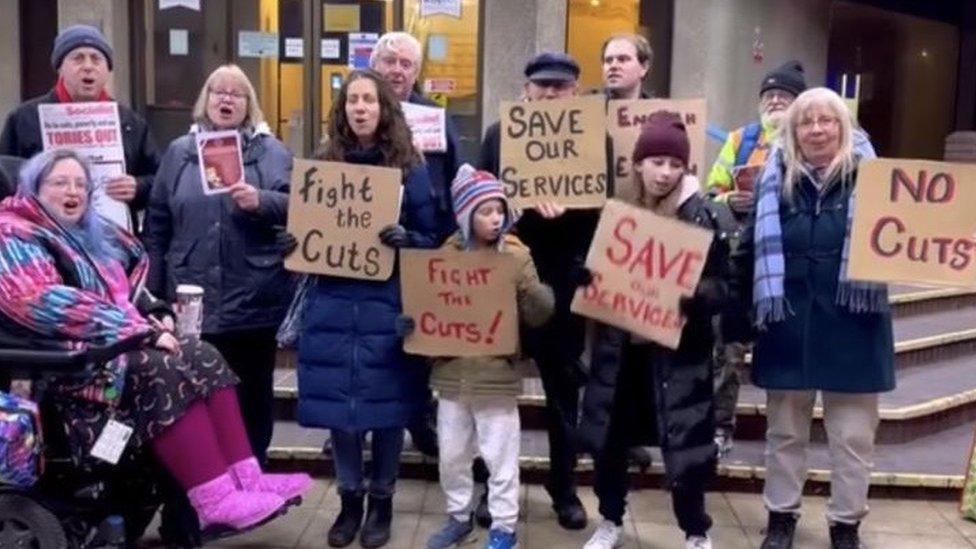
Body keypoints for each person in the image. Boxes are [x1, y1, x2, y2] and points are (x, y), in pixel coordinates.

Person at [0, 148, 311, 539]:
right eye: (59, 182)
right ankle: (215, 500)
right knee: (161, 368)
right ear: (34, 190)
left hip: (114, 355)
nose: (72, 190)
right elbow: (44, 302)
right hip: (69, 372)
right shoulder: (15, 233)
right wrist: (143, 332)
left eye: (80, 183)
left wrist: (156, 311)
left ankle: (245, 478)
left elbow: (127, 292)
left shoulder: (89, 235)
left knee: (201, 354)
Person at [725, 87, 892, 549]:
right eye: (806, 122)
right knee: (783, 433)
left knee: (853, 439)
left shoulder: (879, 180)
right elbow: (749, 252)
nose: (817, 129)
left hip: (856, 324)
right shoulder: (773, 180)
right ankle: (781, 518)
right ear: (793, 131)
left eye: (827, 120)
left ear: (844, 127)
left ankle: (846, 524)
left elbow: (911, 240)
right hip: (788, 323)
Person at [295, 69, 440, 549]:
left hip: (388, 307)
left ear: (384, 109)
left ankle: (382, 501)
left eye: (369, 100)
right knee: (341, 414)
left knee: (388, 413)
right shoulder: (322, 163)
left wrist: (409, 241)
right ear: (342, 110)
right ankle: (349, 500)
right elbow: (304, 233)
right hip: (333, 306)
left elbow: (434, 238)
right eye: (352, 100)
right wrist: (293, 241)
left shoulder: (411, 168)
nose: (360, 108)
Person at [576, 112, 727, 549]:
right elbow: (595, 271)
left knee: (686, 449)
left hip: (679, 357)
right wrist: (586, 280)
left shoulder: (704, 217)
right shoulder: (619, 216)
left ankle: (695, 531)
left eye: (674, 164)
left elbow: (724, 285)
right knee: (611, 442)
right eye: (656, 161)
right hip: (622, 353)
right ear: (638, 164)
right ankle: (609, 519)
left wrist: (698, 299)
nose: (664, 173)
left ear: (686, 169)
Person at [395, 165, 554, 549]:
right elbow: (430, 309)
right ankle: (458, 517)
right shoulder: (445, 256)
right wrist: (411, 323)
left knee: (501, 459)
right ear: (466, 215)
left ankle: (504, 528)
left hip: (496, 376)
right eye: (486, 210)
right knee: (452, 457)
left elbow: (538, 314)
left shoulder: (516, 256)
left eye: (500, 209)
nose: (496, 217)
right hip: (451, 377)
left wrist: (539, 297)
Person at [145, 64, 294, 464]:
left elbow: (299, 208)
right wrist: (154, 296)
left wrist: (262, 201)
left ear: (250, 105)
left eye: (237, 93)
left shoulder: (273, 152)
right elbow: (157, 225)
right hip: (191, 302)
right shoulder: (178, 153)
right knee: (195, 397)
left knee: (252, 398)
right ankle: (207, 482)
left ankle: (252, 477)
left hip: (254, 300)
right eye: (218, 92)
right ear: (205, 100)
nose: (227, 99)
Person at [478, 51, 591, 531]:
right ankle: (491, 485)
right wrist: (518, 208)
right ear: (525, 90)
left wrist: (573, 212)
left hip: (564, 286)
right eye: (541, 86)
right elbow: (480, 202)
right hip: (506, 281)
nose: (548, 94)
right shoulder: (498, 135)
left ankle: (563, 486)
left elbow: (606, 211)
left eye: (559, 87)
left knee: (564, 392)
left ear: (574, 93)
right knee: (492, 390)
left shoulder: (593, 137)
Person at [705, 59, 807, 457]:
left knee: (781, 352)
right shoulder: (739, 139)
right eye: (770, 95)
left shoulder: (811, 141)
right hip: (738, 261)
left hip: (787, 265)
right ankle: (720, 426)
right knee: (726, 351)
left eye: (784, 95)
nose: (776, 101)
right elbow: (711, 193)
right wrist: (731, 198)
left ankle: (784, 439)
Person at [370, 31, 462, 457]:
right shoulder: (357, 111)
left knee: (417, 344)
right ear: (375, 66)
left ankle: (421, 421)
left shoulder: (435, 119)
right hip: (366, 253)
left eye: (406, 64)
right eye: (390, 61)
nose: (397, 70)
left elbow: (458, 180)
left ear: (417, 73)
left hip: (422, 247)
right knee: (371, 343)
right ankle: (363, 426)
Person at [0, 25, 159, 232]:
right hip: (40, 239)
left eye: (96, 58)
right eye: (78, 58)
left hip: (111, 240)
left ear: (107, 70)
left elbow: (160, 181)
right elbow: (4, 179)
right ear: (60, 68)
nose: (88, 66)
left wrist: (137, 188)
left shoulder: (130, 122)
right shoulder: (25, 118)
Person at [601, 34, 652, 100]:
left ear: (644, 67)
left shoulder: (658, 109)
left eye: (622, 59)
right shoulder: (587, 106)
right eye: (608, 60)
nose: (613, 66)